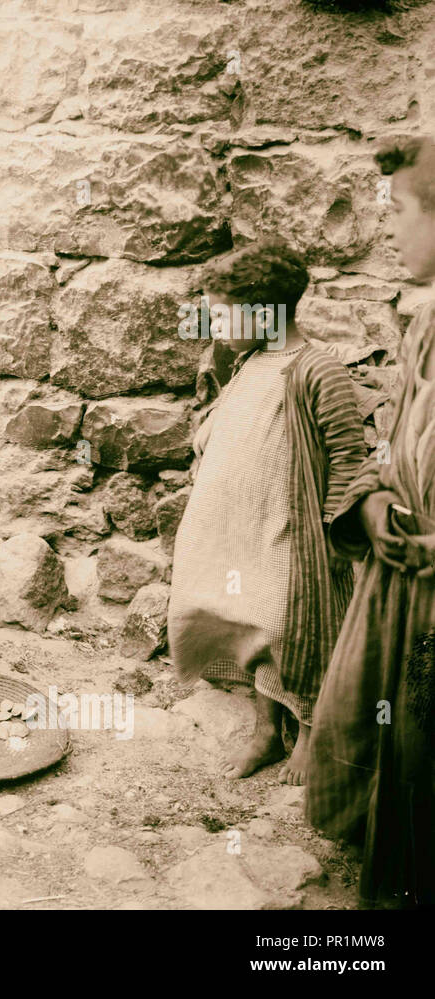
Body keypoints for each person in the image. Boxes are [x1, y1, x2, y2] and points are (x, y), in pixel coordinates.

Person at [168, 241, 368, 785]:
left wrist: (334, 534)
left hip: (293, 532)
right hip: (241, 531)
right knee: (248, 622)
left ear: (264, 312)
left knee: (292, 627)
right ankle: (265, 733)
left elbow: (349, 455)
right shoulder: (252, 361)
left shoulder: (317, 370)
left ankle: (308, 733)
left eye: (222, 315)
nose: (214, 327)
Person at [308, 136, 435, 909]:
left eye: (400, 213)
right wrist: (379, 497)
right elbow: (397, 440)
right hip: (409, 588)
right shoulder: (422, 329)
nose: (384, 231)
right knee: (407, 754)